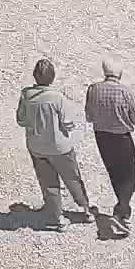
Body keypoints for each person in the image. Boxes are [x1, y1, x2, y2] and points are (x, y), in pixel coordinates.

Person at [15, 58, 93, 231]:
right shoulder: (57, 98)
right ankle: (86, 210)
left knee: (48, 182)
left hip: (36, 146)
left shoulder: (26, 95)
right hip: (60, 147)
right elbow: (68, 123)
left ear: (35, 76)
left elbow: (20, 120)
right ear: (53, 77)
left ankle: (56, 216)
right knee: (72, 178)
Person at [85, 57, 135, 237]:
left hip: (101, 137)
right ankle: (121, 211)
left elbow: (89, 116)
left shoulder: (93, 89)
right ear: (120, 73)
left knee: (114, 172)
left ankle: (122, 209)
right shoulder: (125, 92)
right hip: (121, 138)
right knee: (131, 174)